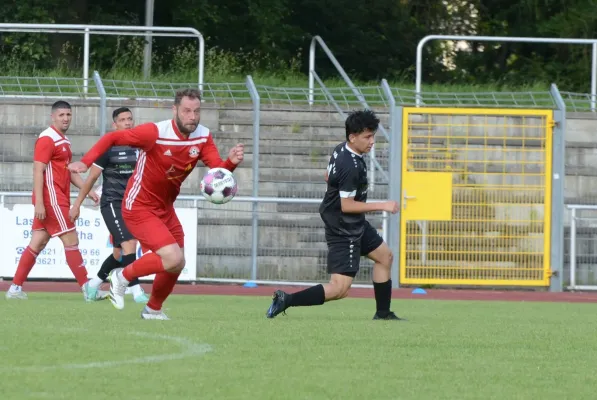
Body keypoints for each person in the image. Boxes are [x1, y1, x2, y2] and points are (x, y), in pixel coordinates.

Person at [68, 88, 245, 320]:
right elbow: (112, 138)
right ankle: (121, 277)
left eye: (196, 111)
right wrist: (85, 161)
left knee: (177, 263)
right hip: (138, 206)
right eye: (186, 111)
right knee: (172, 257)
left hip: (165, 208)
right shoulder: (155, 132)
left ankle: (152, 309)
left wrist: (230, 163)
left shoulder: (203, 136)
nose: (192, 116)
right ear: (175, 110)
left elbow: (218, 173)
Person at [266, 109, 404, 320]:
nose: (372, 141)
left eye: (373, 135)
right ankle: (287, 299)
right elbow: (347, 205)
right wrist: (383, 205)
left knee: (385, 256)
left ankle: (383, 314)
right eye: (367, 136)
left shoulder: (343, 150)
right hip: (343, 228)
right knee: (340, 289)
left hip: (353, 222)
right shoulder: (350, 165)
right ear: (353, 137)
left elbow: (328, 175)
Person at [5, 100, 105, 302]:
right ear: (53, 117)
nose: (66, 118)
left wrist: (89, 190)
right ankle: (87, 289)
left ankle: (14, 288)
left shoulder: (64, 141)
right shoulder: (47, 138)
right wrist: (40, 203)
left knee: (38, 243)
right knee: (71, 239)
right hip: (51, 199)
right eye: (61, 115)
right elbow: (37, 170)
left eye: (68, 114)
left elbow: (68, 172)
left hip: (56, 197)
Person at [69, 107, 149, 304]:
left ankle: (93, 285)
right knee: (130, 244)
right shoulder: (108, 148)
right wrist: (77, 204)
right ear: (115, 125)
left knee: (119, 254)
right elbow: (91, 178)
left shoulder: (140, 148)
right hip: (112, 203)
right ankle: (136, 291)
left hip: (132, 205)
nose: (128, 122)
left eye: (130, 119)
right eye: (123, 120)